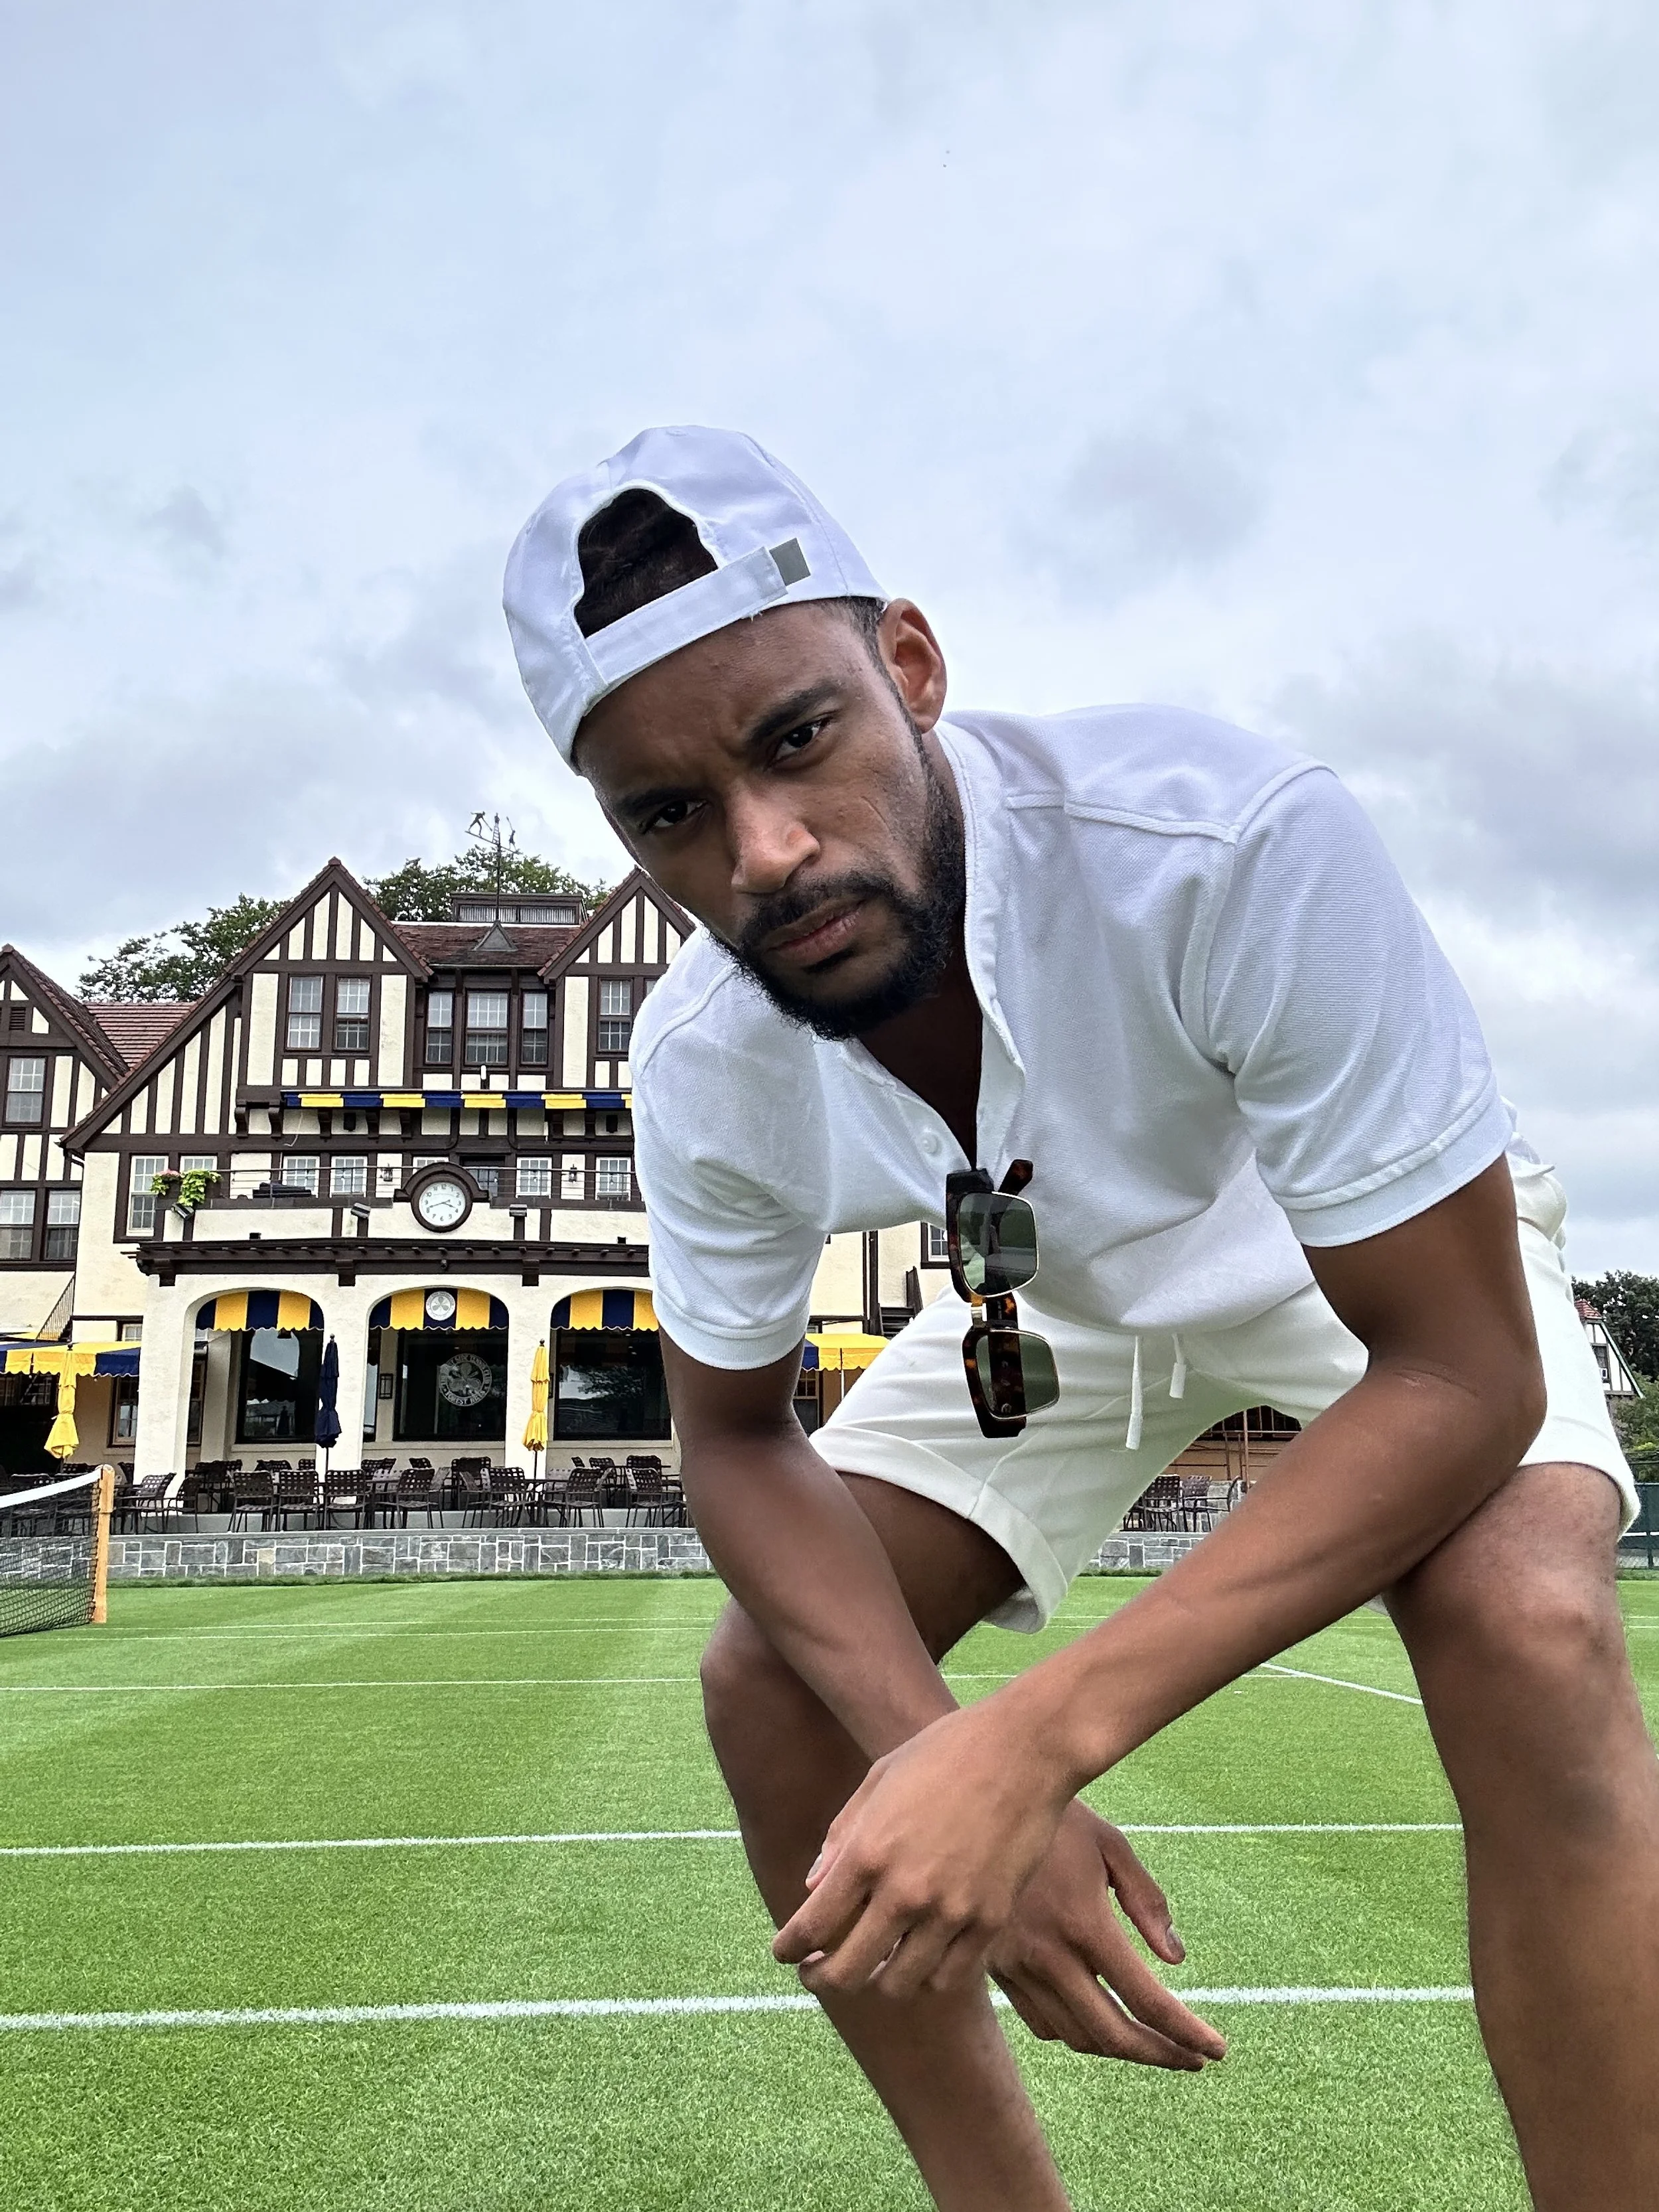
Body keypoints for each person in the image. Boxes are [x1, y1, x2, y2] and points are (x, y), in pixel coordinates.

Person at [504, 427, 1659, 2211]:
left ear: (909, 666)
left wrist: (1025, 1747)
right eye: (669, 814)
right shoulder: (707, 1060)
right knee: (776, 1687)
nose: (767, 852)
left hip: (1363, 1256)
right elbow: (732, 1440)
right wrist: (926, 1748)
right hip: (1054, 1291)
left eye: (796, 738)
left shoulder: (1223, 835)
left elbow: (1461, 1368)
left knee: (1526, 1617)